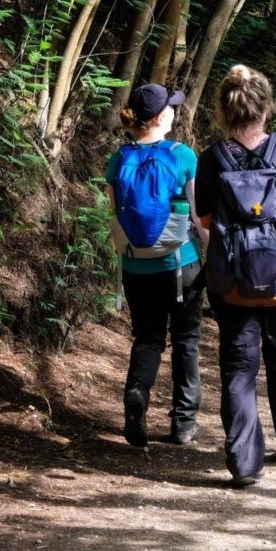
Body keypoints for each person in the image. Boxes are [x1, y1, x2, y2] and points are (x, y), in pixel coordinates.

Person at [195, 65, 276, 488]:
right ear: (267, 106)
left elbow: (204, 218)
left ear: (224, 110)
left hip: (232, 284)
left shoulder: (210, 158)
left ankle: (245, 465)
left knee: (238, 368)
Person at [107, 83, 207, 448]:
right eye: (171, 108)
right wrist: (216, 257)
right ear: (162, 117)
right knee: (186, 341)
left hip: (135, 267)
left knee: (147, 338)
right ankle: (183, 423)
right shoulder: (183, 156)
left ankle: (137, 393)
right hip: (181, 266)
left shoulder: (118, 159)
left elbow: (115, 214)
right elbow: (199, 218)